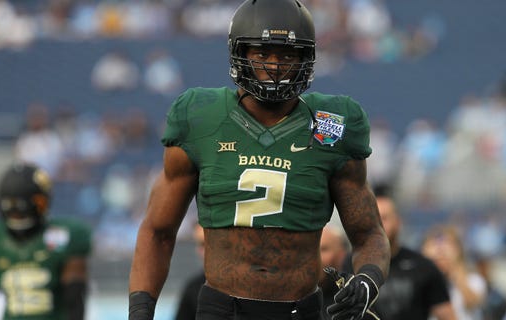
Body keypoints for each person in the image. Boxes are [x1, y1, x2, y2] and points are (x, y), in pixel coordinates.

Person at [128, 0, 391, 319]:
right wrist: (140, 310)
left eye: (287, 54)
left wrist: (367, 280)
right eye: (262, 53)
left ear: (306, 58)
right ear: (241, 55)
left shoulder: (330, 124)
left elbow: (368, 233)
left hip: (300, 310)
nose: (275, 65)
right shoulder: (200, 115)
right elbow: (158, 230)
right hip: (222, 309)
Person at [0, 163, 92, 320]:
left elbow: (74, 304)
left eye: (21, 208)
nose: (17, 214)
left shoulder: (65, 235)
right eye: (12, 208)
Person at [341, 192, 456, 320]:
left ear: (398, 221)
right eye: (372, 219)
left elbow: (447, 315)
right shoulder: (349, 263)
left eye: (383, 218)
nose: (378, 225)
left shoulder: (423, 266)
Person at [422, 225, 487, 320]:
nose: (440, 250)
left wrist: (455, 268)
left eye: (448, 244)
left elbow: (471, 301)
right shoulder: (421, 279)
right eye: (434, 244)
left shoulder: (473, 280)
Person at [174, 223, 206, 320]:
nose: (202, 251)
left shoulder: (248, 286)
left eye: (210, 242)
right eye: (201, 244)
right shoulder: (193, 289)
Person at [318, 225, 350, 319]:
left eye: (323, 249)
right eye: (310, 250)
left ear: (341, 255)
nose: (315, 258)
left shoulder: (355, 297)